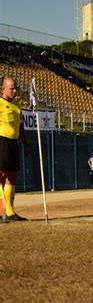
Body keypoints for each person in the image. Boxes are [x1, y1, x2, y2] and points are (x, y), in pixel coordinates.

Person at [0, 77, 29, 221]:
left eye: (15, 88)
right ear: (3, 89)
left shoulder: (17, 106)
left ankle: (10, 213)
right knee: (1, 176)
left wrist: (26, 144)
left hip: (13, 144)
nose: (14, 91)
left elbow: (20, 127)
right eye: (11, 88)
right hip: (1, 141)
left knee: (12, 177)